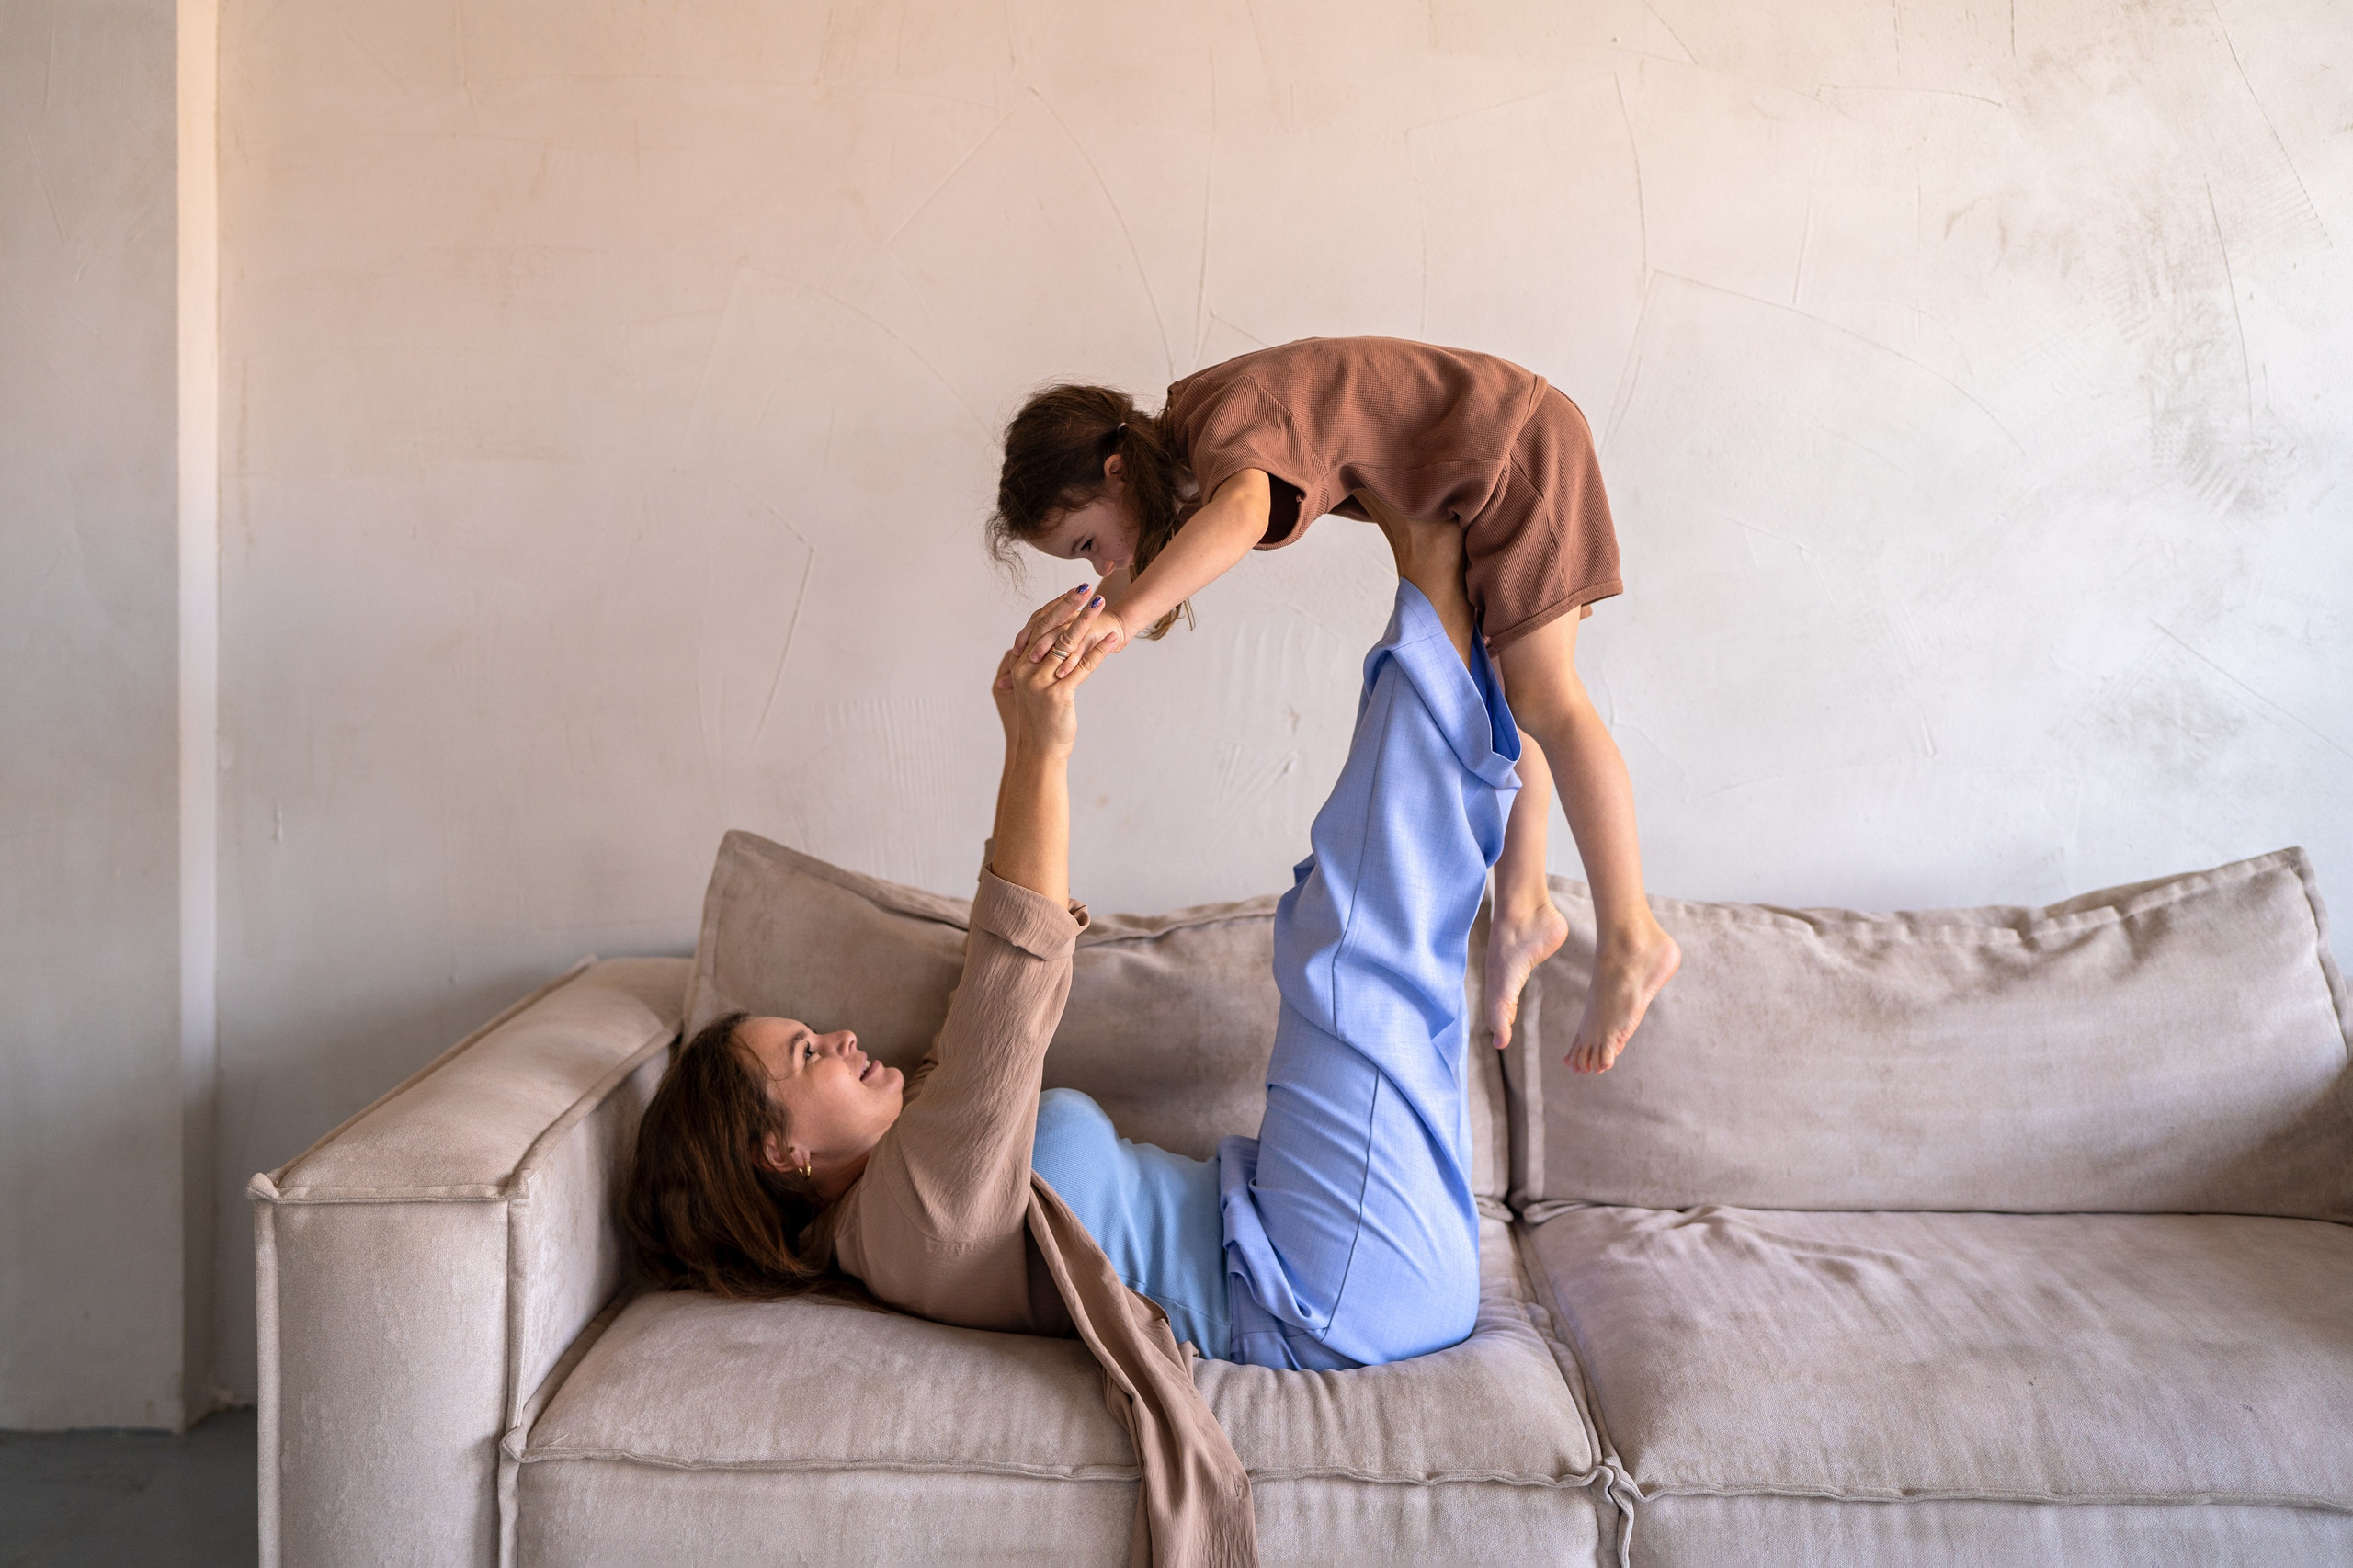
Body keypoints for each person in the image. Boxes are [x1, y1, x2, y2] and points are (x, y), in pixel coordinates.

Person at [990, 336, 1679, 1074]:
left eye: (1088, 541)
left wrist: (1119, 622)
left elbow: (1245, 512)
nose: (1103, 567)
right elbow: (1164, 554)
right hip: (1493, 456)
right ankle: (1522, 906)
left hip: (1517, 444)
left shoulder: (1222, 420)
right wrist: (1086, 636)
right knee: (1514, 689)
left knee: (1548, 697)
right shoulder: (1189, 444)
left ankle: (1633, 937)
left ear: (1115, 469)